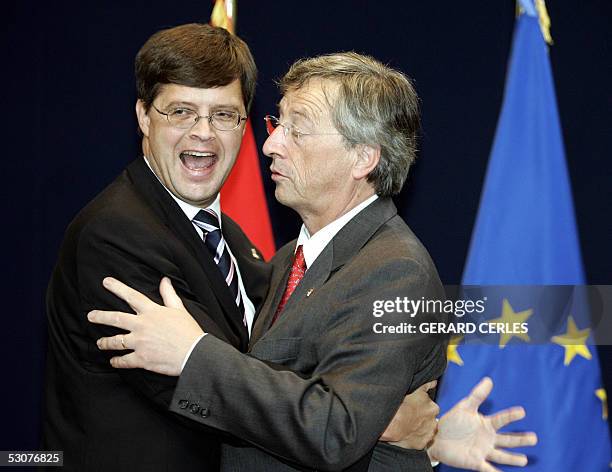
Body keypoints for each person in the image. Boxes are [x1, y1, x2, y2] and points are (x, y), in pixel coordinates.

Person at [89, 52, 537, 471]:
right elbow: (298, 398)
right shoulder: (291, 258)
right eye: (276, 123)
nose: (270, 145)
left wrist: (192, 355)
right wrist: (404, 429)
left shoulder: (395, 271)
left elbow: (335, 432)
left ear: (363, 157)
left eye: (297, 130)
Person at [42, 23, 270, 471]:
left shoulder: (231, 238)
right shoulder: (116, 235)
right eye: (181, 112)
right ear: (144, 116)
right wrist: (359, 414)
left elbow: (264, 353)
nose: (203, 133)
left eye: (223, 114)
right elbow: (210, 393)